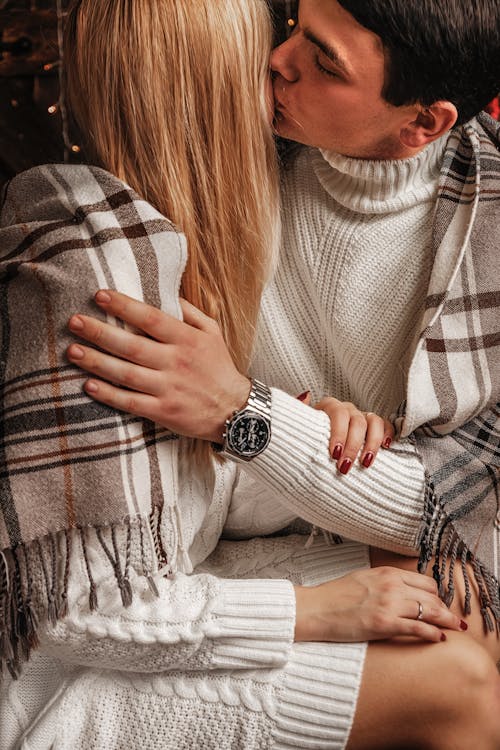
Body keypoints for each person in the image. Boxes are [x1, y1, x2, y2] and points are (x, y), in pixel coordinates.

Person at [0, 1, 469, 749]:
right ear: (210, 84)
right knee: (463, 692)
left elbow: (183, 500)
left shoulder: (188, 232)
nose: (280, 62)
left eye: (316, 56)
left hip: (182, 588)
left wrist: (292, 429)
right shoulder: (93, 250)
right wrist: (314, 611)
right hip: (60, 679)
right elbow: (69, 606)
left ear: (426, 123)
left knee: (461, 610)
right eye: (278, 35)